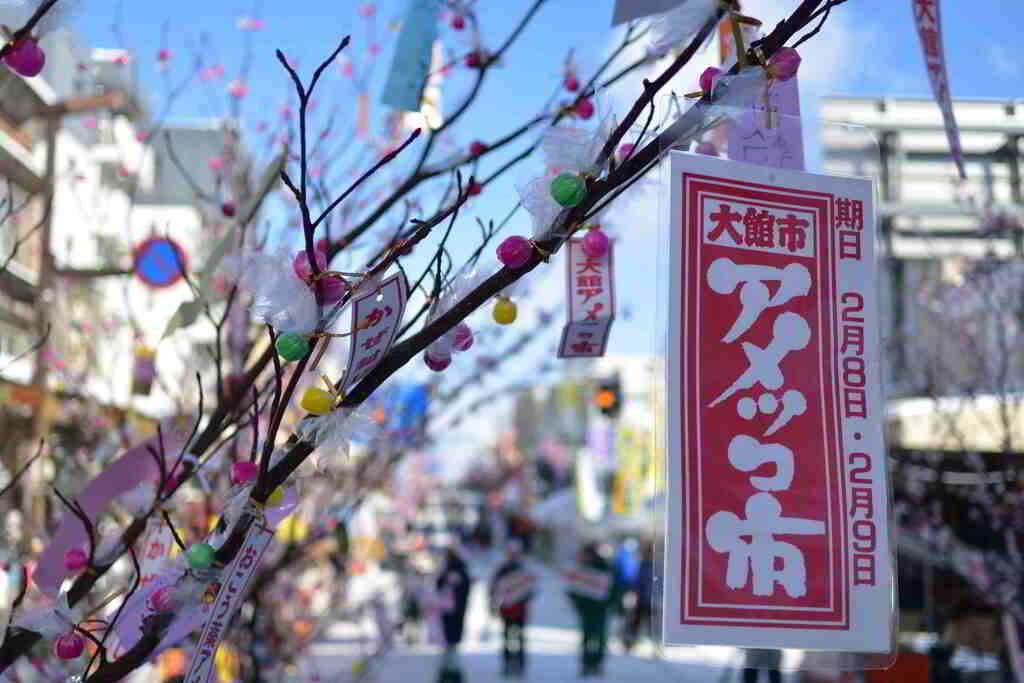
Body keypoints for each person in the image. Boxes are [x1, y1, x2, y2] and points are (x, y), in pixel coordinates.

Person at [566, 543, 620, 677]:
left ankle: (596, 663)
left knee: (599, 637)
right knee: (587, 637)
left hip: (600, 609)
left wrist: (611, 603)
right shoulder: (582, 569)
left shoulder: (605, 568)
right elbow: (574, 588)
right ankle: (587, 663)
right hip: (586, 609)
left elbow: (614, 588)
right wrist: (576, 602)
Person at [489, 539, 535, 678]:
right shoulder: (502, 569)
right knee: (507, 638)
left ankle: (519, 665)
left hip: (520, 610)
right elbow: (494, 588)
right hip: (507, 610)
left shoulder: (524, 569)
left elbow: (531, 589)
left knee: (520, 638)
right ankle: (508, 664)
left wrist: (520, 596)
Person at [436, 546, 472, 683]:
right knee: (452, 645)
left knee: (449, 645)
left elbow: (438, 586)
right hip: (456, 614)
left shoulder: (449, 572)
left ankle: (449, 672)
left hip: (449, 614)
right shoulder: (460, 572)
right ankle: (451, 671)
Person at [622, 542, 654, 652]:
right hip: (644, 599)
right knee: (637, 623)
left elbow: (635, 582)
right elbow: (636, 582)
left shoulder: (646, 565)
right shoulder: (644, 565)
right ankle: (629, 644)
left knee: (640, 624)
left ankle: (653, 646)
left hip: (646, 600)